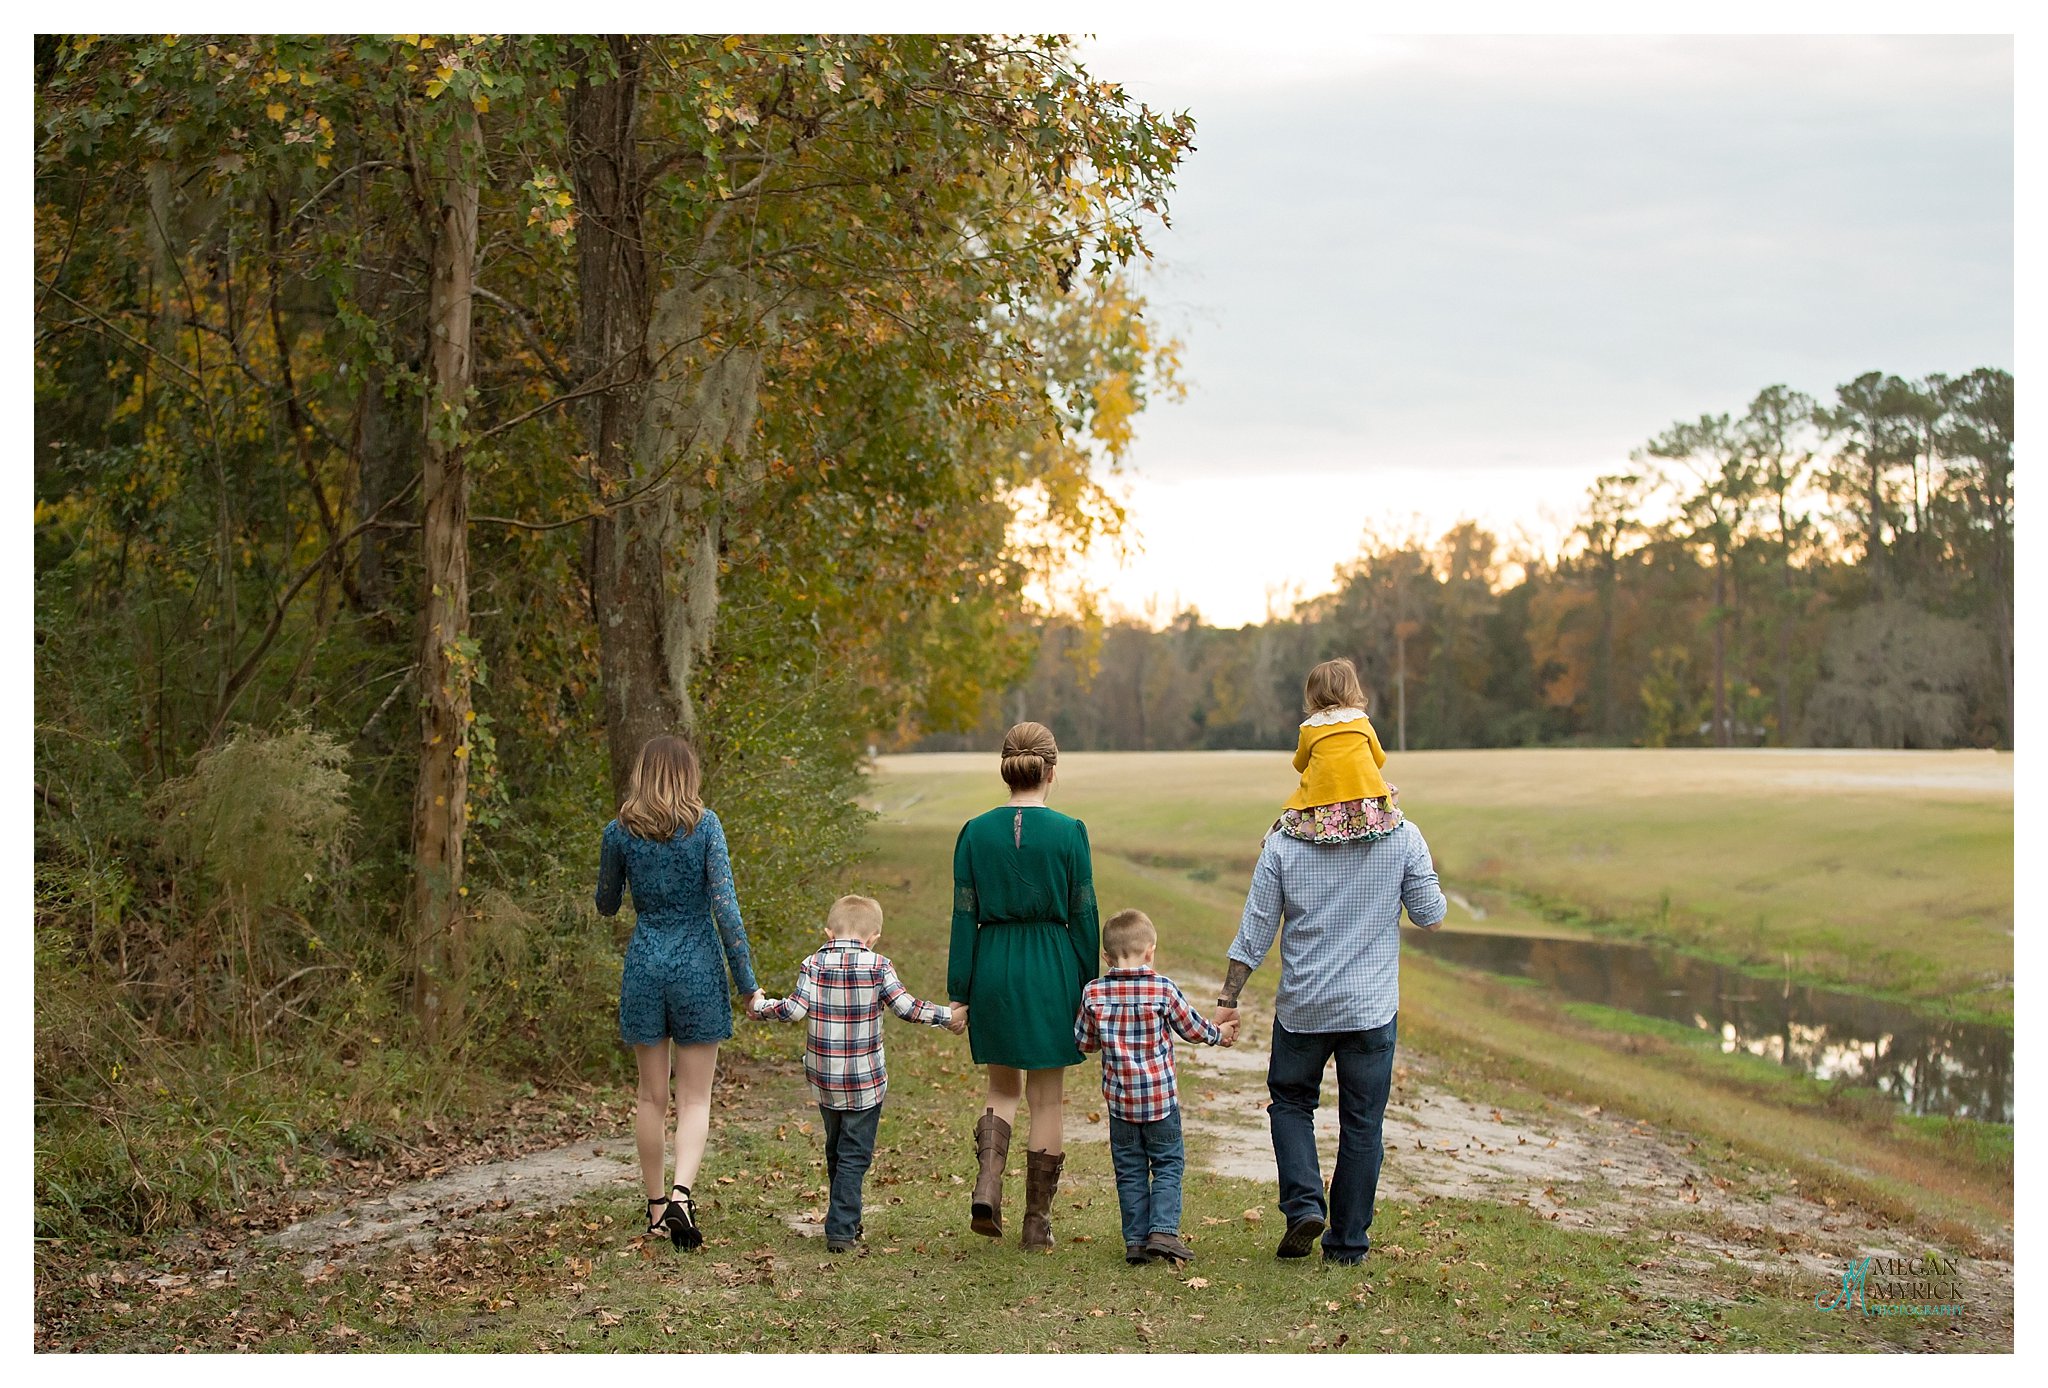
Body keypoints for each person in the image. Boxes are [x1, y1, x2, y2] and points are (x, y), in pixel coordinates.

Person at [1213, 806, 1448, 1265]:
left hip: (1305, 1007)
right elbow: (1431, 916)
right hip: (1370, 1010)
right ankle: (1346, 1246)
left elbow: (1257, 928)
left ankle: (1303, 1205)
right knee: (1362, 1123)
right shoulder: (1401, 835)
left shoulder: (1284, 840)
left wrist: (1228, 997)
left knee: (1291, 1102)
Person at [595, 734, 761, 1252]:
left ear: (642, 774)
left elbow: (605, 903)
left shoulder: (619, 832)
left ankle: (654, 1210)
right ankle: (682, 1195)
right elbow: (726, 911)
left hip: (645, 962)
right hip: (696, 965)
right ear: (687, 775)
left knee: (650, 1096)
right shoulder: (705, 826)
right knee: (695, 1097)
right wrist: (748, 985)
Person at [947, 721, 1100, 1249]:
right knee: (1048, 1100)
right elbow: (1084, 914)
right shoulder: (1069, 831)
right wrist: (1090, 985)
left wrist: (959, 991)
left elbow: (963, 917)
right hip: (1051, 966)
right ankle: (1037, 1223)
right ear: (1051, 769)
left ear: (1006, 769)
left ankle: (988, 1184)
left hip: (994, 964)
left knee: (1001, 1088)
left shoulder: (974, 831)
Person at [750, 895, 963, 1253]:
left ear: (828, 931)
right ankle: (842, 1229)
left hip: (824, 1078)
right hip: (865, 1081)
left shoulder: (813, 963)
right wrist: (948, 1016)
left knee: (836, 1147)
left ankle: (844, 1217)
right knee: (854, 1154)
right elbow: (907, 1008)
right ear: (874, 936)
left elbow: (794, 1010)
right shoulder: (879, 966)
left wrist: (759, 1005)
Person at [1074, 908, 1237, 1267]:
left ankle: (1135, 1241)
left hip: (1121, 1103)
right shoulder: (1162, 988)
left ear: (1106, 956)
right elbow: (1193, 1029)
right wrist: (1220, 1034)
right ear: (1150, 951)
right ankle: (1162, 1231)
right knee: (1167, 1164)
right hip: (1161, 1101)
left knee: (1130, 1170)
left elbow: (1084, 1042)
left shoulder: (1094, 992)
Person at [1274, 657, 1405, 845]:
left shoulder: (1310, 727)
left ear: (1312, 695)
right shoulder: (1361, 720)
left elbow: (1299, 765)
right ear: (1352, 691)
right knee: (1386, 790)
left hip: (1326, 804)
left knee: (1296, 814)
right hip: (1364, 798)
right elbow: (1379, 759)